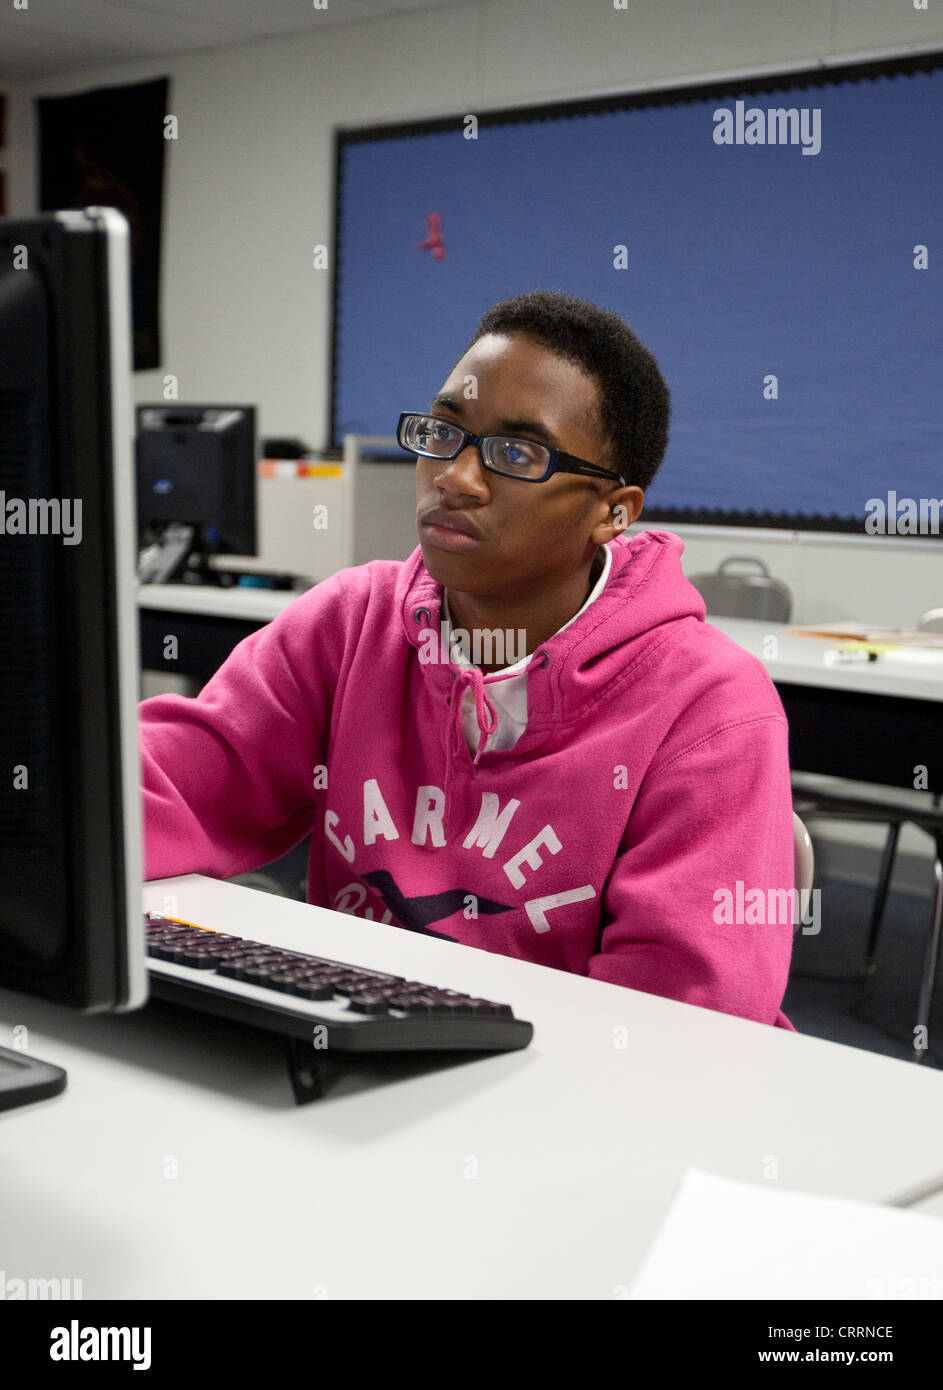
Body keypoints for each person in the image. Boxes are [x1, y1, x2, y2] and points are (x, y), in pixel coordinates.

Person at [139, 289, 796, 1028]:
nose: (455, 478)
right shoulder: (353, 622)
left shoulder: (708, 707)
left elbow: (680, 1022)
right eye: (443, 432)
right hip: (358, 1057)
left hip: (563, 1107)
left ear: (615, 511)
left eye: (517, 453)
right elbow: (172, 781)